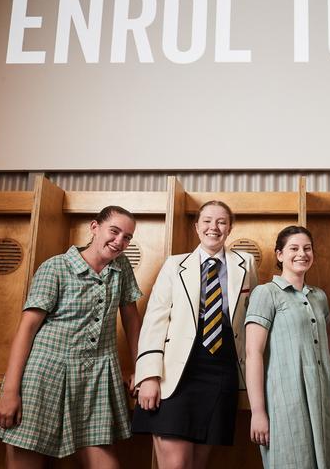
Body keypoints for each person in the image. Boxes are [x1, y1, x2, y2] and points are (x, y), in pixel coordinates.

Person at [0, 205, 143, 468]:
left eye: (127, 237)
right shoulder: (56, 267)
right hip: (46, 374)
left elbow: (131, 320)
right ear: (94, 227)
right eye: (114, 232)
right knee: (26, 461)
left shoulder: (121, 267)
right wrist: (10, 392)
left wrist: (142, 367)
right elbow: (27, 329)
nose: (119, 241)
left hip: (97, 376)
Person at [132, 200, 258, 469]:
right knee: (176, 464)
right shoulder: (174, 265)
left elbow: (250, 320)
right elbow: (155, 320)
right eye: (208, 221)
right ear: (197, 227)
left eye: (222, 222)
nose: (214, 227)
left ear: (230, 228)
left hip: (221, 370)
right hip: (176, 372)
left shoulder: (245, 264)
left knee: (198, 465)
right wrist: (149, 375)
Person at [246, 226, 330, 469]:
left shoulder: (319, 296)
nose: (302, 253)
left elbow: (327, 340)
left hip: (322, 396)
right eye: (294, 248)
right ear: (279, 255)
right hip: (284, 397)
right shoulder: (266, 293)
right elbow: (253, 354)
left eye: (307, 248)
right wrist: (258, 411)